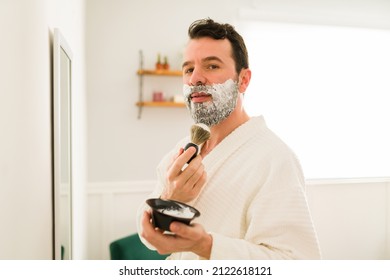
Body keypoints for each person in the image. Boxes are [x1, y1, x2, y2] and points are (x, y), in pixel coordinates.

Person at [137, 18, 321, 260]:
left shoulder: (275, 159)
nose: (195, 79)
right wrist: (171, 198)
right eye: (189, 69)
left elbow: (296, 262)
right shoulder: (180, 151)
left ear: (243, 80)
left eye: (211, 66)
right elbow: (149, 238)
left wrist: (206, 246)